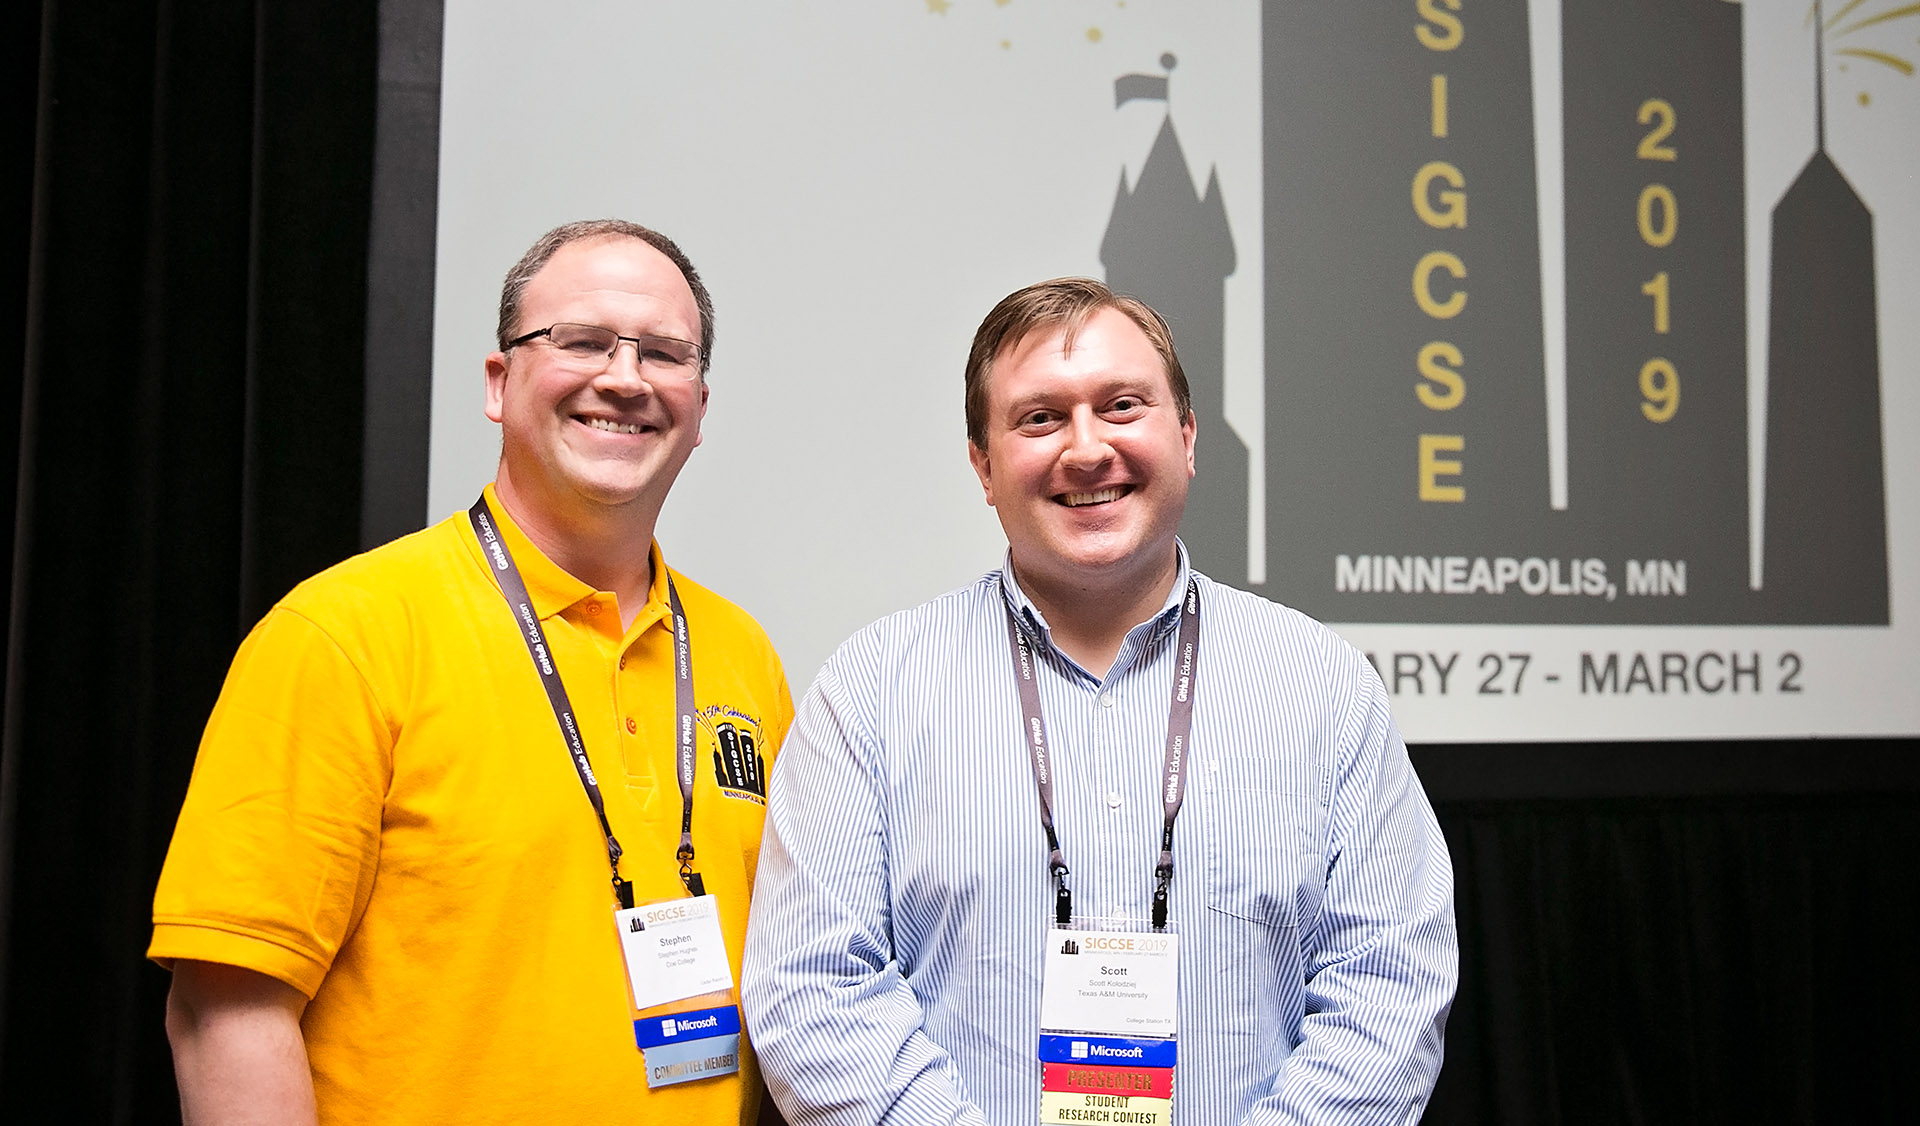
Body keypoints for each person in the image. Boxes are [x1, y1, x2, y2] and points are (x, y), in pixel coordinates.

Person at [742, 278, 1455, 1124]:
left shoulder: (1322, 685)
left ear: (1187, 436)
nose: (1086, 449)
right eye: (1040, 418)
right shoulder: (871, 691)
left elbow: (1391, 986)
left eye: (1122, 405)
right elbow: (815, 986)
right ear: (983, 464)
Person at [151, 219, 792, 1124]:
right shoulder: (343, 633)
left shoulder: (742, 656)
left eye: (663, 353)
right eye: (581, 341)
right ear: (499, 384)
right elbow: (227, 1009)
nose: (625, 376)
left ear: (698, 408)